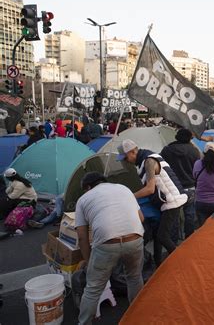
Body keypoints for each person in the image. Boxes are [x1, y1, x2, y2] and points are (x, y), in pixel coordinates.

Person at [75, 172, 144, 325]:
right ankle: (138, 317)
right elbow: (141, 218)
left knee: (92, 288)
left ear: (88, 187)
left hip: (107, 244)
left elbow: (82, 236)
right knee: (134, 277)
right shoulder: (124, 188)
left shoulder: (83, 199)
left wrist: (87, 261)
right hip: (135, 238)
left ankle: (84, 323)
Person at [117, 139, 187, 267]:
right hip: (166, 201)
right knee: (157, 234)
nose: (125, 161)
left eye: (125, 158)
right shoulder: (142, 163)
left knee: (162, 236)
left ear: (133, 151)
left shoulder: (149, 161)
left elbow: (150, 189)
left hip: (172, 201)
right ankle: (159, 263)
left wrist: (130, 196)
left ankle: (182, 261)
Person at [160, 128, 201, 239]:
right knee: (190, 213)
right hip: (190, 186)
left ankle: (174, 239)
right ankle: (189, 237)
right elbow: (197, 168)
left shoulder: (167, 150)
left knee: (174, 215)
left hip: (173, 187)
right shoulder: (193, 151)